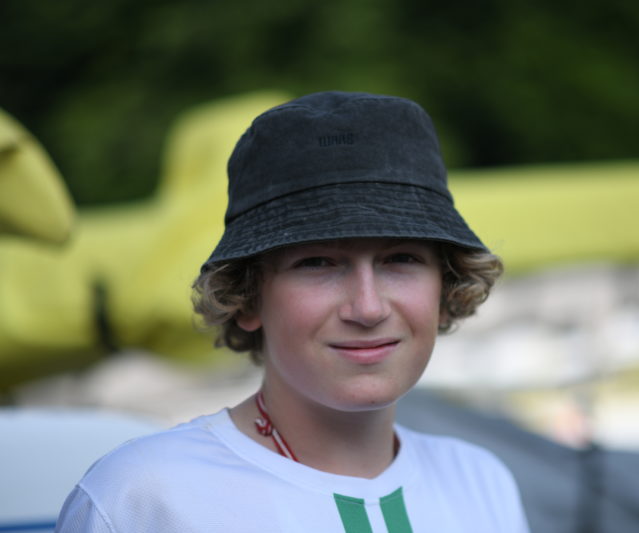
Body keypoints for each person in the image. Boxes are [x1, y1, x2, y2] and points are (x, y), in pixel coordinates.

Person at [55, 91, 530, 532]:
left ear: (445, 288)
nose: (367, 308)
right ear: (247, 297)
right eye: (317, 263)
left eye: (401, 259)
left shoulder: (480, 481)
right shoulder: (142, 497)